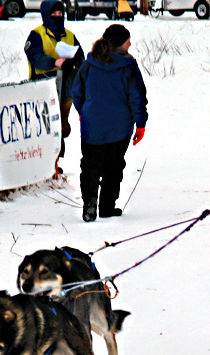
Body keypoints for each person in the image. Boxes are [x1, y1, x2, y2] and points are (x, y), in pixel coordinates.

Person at [72, 24, 147, 222]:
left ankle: (90, 205)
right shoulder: (128, 66)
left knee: (90, 166)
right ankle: (106, 206)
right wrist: (140, 123)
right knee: (113, 167)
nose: (130, 43)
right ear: (120, 43)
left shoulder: (89, 64)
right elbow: (137, 96)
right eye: (127, 40)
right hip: (119, 127)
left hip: (92, 126)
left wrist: (84, 112)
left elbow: (77, 92)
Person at [24, 0, 85, 176]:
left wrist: (74, 62)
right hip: (42, 89)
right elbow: (34, 57)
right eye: (54, 14)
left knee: (58, 125)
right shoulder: (36, 35)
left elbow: (81, 58)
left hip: (66, 90)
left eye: (60, 14)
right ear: (46, 14)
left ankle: (55, 163)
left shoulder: (70, 35)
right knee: (47, 126)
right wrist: (54, 63)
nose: (58, 17)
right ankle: (49, 164)